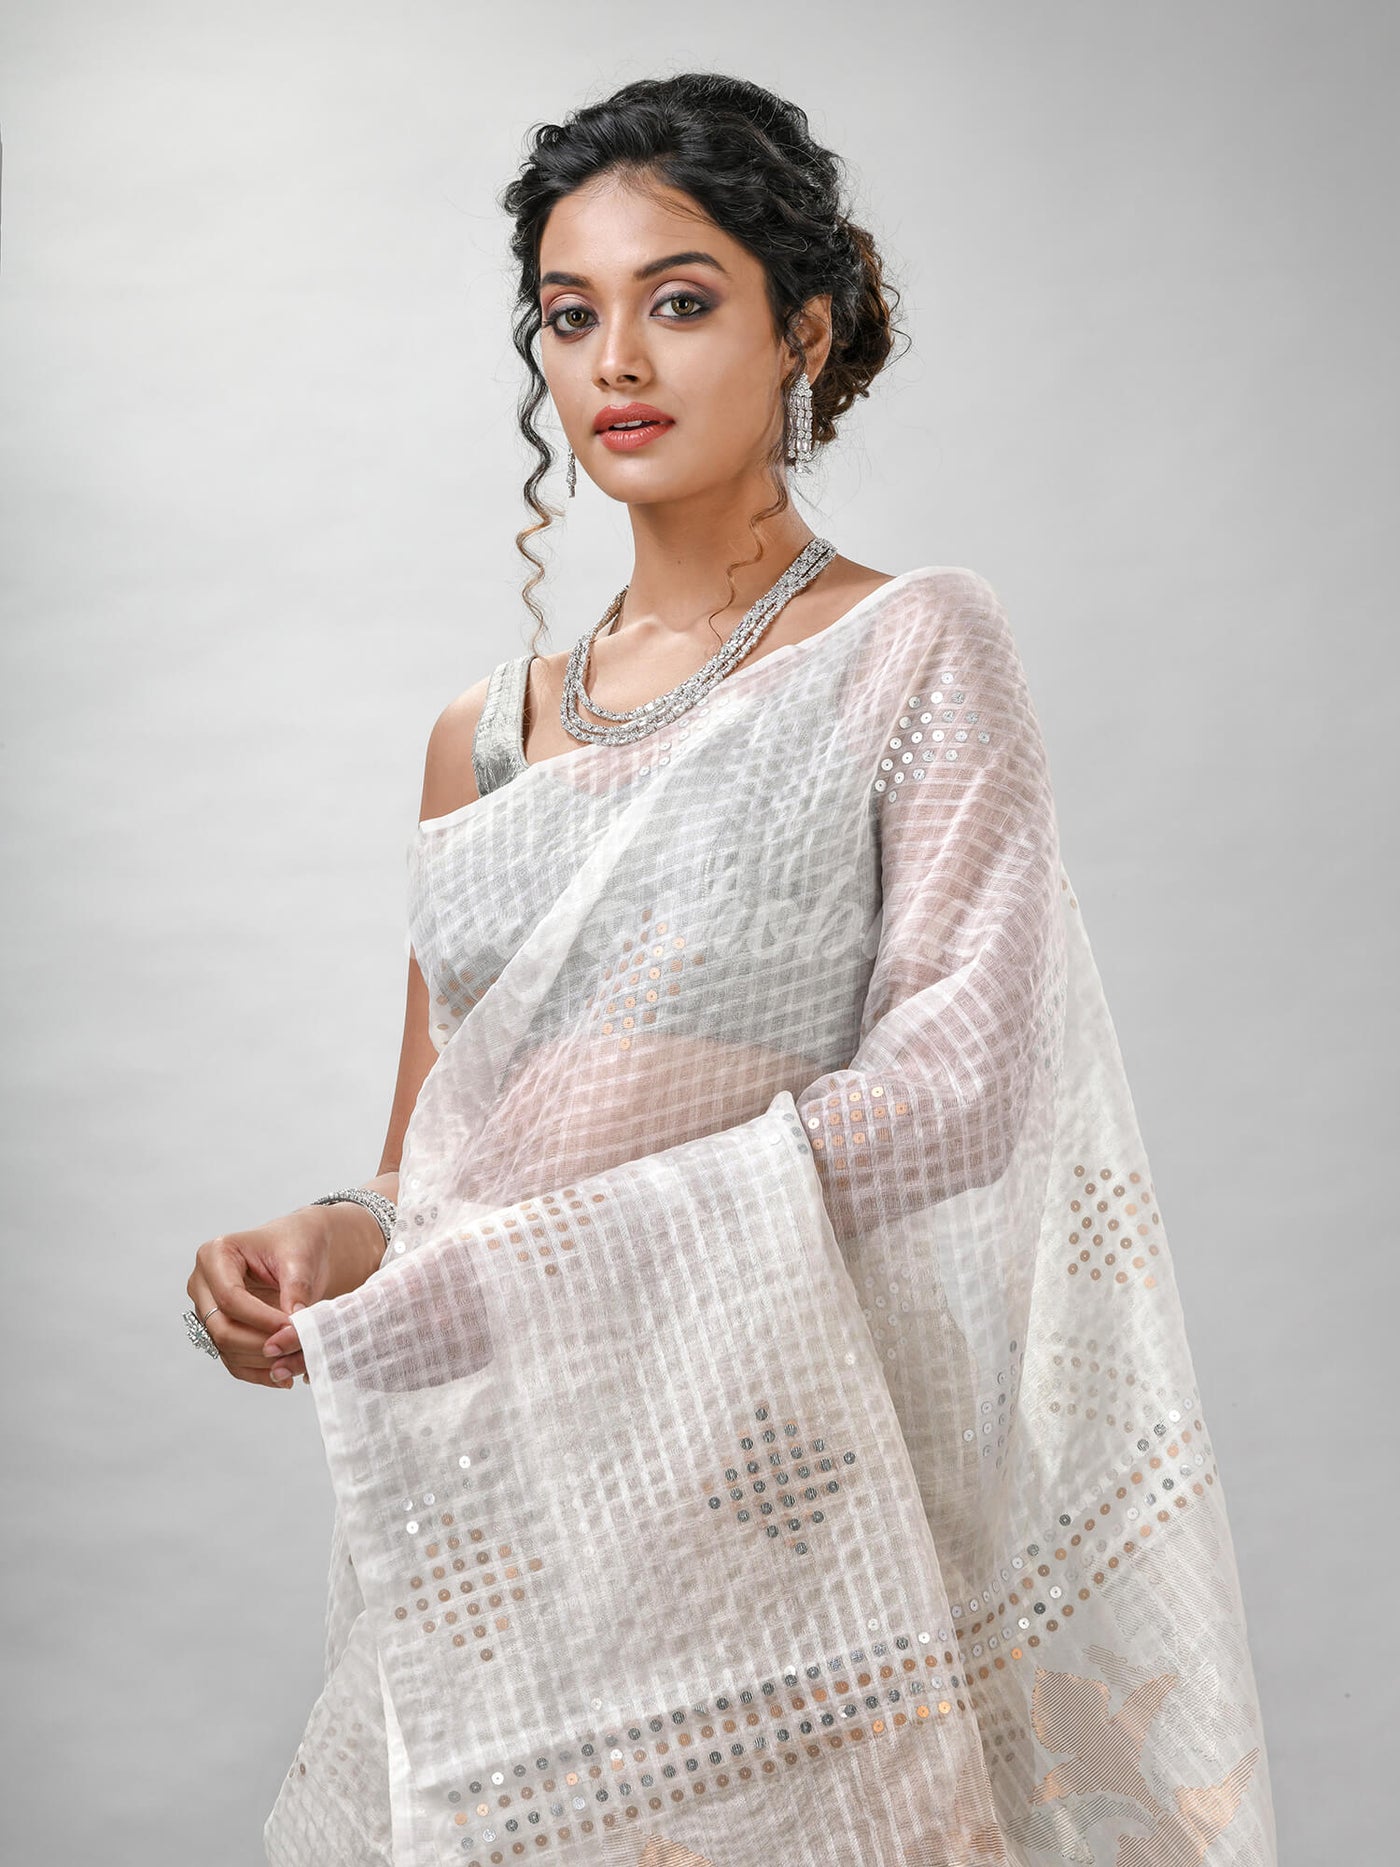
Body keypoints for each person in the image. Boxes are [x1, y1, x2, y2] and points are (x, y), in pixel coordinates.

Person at [185, 72, 1277, 1867]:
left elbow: (958, 1093)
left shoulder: (913, 650)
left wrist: (524, 1267)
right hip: (517, 1514)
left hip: (795, 1510)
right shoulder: (483, 741)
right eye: (570, 314)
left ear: (804, 333)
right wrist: (328, 1240)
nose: (617, 360)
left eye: (680, 301)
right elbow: (432, 1163)